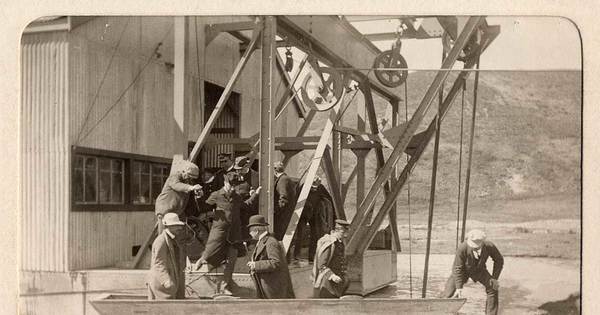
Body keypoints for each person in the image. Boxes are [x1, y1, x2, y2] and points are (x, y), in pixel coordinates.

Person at [194, 171, 261, 295]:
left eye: (234, 185)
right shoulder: (217, 195)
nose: (232, 187)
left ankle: (225, 287)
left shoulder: (236, 196)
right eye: (231, 184)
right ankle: (200, 261)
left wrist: (255, 195)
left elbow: (246, 206)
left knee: (231, 260)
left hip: (234, 233)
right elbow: (204, 207)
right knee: (209, 253)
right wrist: (199, 197)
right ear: (225, 182)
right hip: (219, 231)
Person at [442, 229, 504, 315]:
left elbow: (499, 260)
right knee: (448, 293)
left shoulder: (489, 246)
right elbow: (457, 268)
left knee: (493, 288)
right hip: (462, 270)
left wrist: (494, 278)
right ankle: (441, 311)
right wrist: (459, 287)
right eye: (473, 245)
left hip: (479, 270)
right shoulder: (462, 247)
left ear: (483, 242)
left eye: (478, 245)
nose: (475, 247)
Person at [246, 214, 295, 299]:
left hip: (274, 289)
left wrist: (256, 265)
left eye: (250, 230)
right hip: (268, 287)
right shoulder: (263, 241)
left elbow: (275, 262)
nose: (250, 233)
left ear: (256, 230)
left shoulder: (271, 242)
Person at [292, 176, 335, 263]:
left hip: (315, 214)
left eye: (316, 187)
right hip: (303, 215)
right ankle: (297, 255)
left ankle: (312, 256)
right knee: (301, 234)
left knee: (315, 235)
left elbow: (329, 198)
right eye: (312, 187)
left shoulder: (320, 188)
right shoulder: (304, 187)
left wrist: (333, 213)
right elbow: (296, 199)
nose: (314, 189)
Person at [147, 213, 187, 300]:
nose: (179, 228)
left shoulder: (172, 239)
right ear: (168, 226)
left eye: (178, 225)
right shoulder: (161, 241)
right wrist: (166, 281)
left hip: (170, 283)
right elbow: (158, 264)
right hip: (161, 285)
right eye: (175, 225)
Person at [155, 160, 202, 233]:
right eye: (189, 176)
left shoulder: (188, 181)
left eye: (193, 178)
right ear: (184, 171)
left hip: (178, 211)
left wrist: (197, 193)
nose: (190, 179)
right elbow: (176, 185)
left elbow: (187, 191)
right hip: (166, 209)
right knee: (164, 234)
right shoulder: (174, 176)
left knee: (179, 233)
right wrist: (191, 188)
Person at [312, 219, 350, 298]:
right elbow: (321, 265)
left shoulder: (341, 243)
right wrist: (332, 276)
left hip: (338, 284)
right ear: (337, 230)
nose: (345, 235)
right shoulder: (330, 244)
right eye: (343, 232)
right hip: (327, 284)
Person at [273, 161, 297, 240]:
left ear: (274, 170)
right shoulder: (285, 178)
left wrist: (276, 211)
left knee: (280, 237)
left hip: (282, 215)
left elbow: (283, 198)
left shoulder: (283, 180)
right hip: (285, 214)